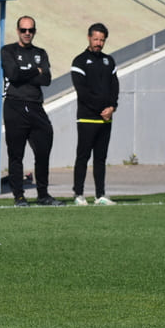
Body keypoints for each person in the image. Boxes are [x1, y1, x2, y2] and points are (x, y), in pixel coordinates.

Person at [0, 16, 65, 207]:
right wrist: (35, 71)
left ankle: (43, 194)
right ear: (17, 30)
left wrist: (28, 73)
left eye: (31, 30)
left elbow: (46, 79)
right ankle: (19, 196)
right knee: (16, 154)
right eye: (23, 30)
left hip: (36, 106)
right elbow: (13, 75)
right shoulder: (8, 51)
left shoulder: (40, 52)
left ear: (34, 31)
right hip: (15, 105)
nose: (27, 33)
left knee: (43, 150)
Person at [71, 23, 120, 206]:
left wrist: (112, 107)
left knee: (101, 158)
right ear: (89, 38)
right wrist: (102, 109)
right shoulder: (79, 61)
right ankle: (78, 195)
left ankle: (100, 195)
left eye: (102, 40)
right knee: (83, 156)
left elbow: (115, 86)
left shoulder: (109, 61)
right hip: (87, 117)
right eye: (96, 39)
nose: (99, 43)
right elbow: (82, 92)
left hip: (106, 119)